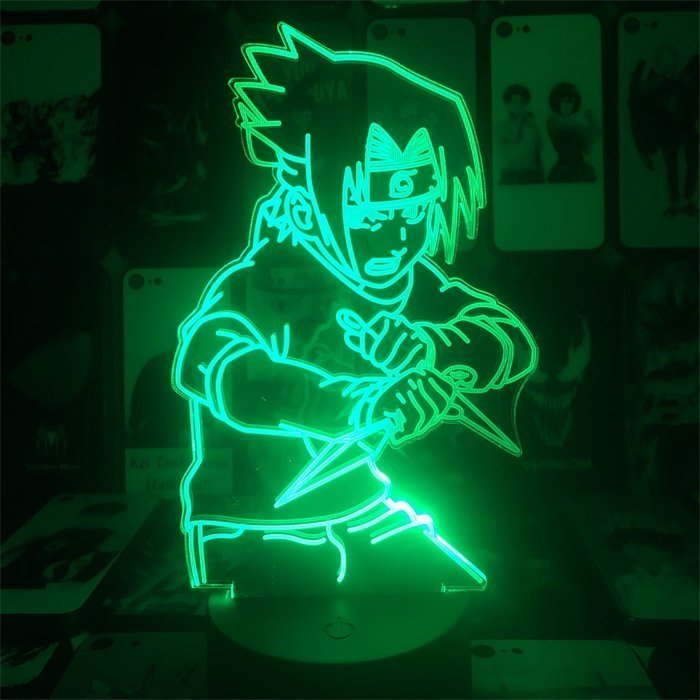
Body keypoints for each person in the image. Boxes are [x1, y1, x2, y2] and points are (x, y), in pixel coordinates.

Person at [172, 24, 538, 595]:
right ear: (305, 193)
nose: (398, 235)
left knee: (443, 597)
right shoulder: (254, 286)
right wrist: (363, 405)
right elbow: (219, 371)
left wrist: (435, 350)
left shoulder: (410, 281)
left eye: (416, 209)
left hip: (361, 507)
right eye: (371, 213)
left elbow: (505, 337)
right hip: (252, 526)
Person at [546, 82, 598, 183]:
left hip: (581, 170)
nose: (565, 105)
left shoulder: (580, 122)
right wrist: (591, 123)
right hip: (561, 172)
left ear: (575, 103)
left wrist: (592, 126)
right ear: (556, 102)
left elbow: (587, 149)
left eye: (570, 101)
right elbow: (565, 125)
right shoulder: (552, 120)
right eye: (562, 101)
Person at [498, 83, 544, 184]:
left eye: (522, 102)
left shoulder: (533, 128)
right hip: (511, 177)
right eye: (514, 102)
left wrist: (541, 177)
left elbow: (537, 155)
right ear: (507, 103)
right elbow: (513, 139)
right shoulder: (501, 127)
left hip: (532, 177)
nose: (518, 106)